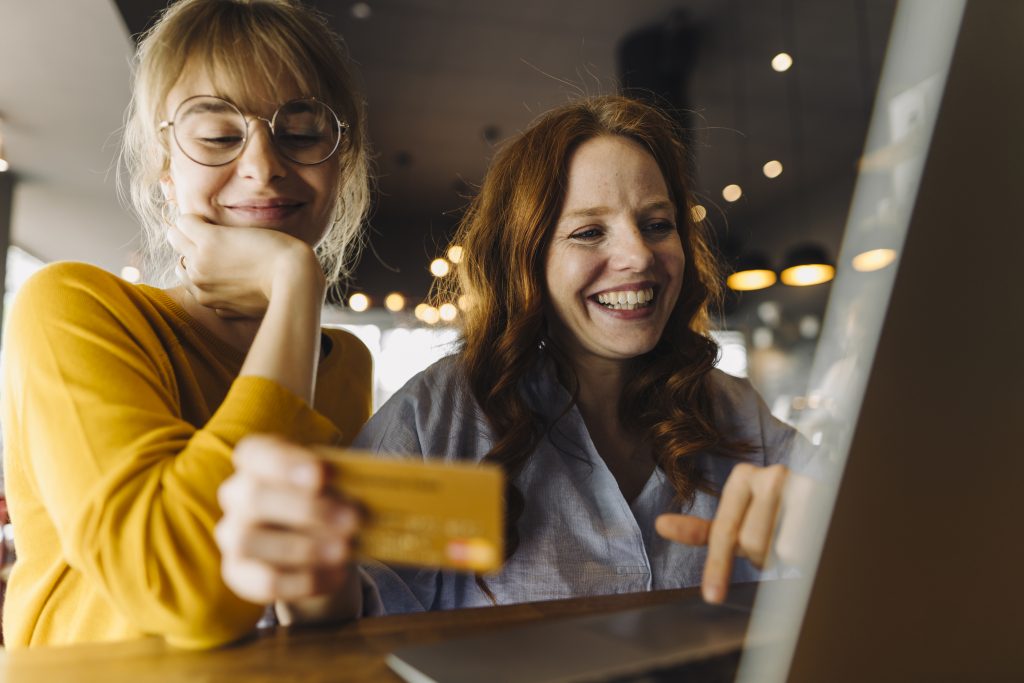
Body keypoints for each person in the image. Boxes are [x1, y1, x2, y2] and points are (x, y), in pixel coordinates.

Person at [217, 95, 800, 623]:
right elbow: (353, 610)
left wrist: (827, 521)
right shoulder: (441, 415)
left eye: (656, 225)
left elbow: (869, 528)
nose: (638, 256)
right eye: (588, 232)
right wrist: (313, 577)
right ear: (527, 260)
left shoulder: (734, 412)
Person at [0, 0, 372, 649]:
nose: (263, 165)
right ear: (166, 170)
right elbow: (185, 589)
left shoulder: (345, 362)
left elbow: (314, 595)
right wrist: (292, 283)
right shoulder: (71, 307)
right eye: (219, 135)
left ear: (341, 161)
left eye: (303, 129)